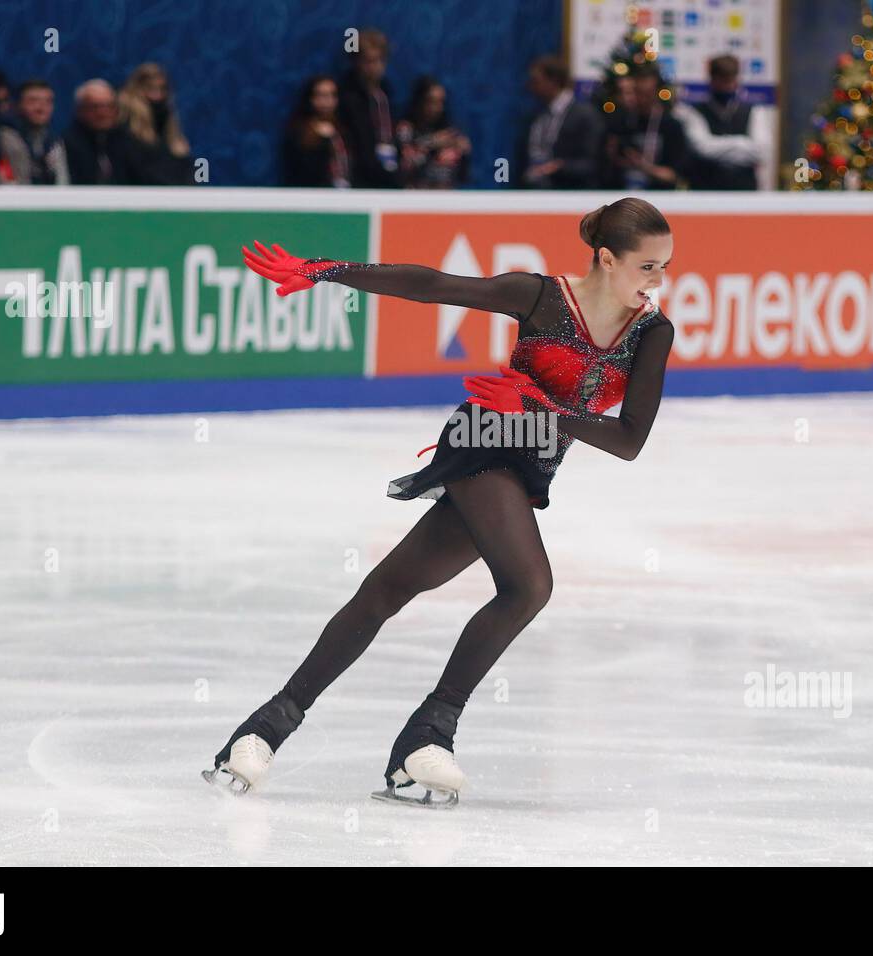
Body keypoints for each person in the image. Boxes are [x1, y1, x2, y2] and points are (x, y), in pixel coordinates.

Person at [207, 197, 676, 805]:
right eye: (648, 266)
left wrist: (539, 408)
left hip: (532, 458)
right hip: (482, 440)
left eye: (664, 266)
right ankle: (431, 734)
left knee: (387, 589)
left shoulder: (651, 332)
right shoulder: (541, 296)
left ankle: (265, 729)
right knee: (529, 585)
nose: (658, 280)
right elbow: (433, 286)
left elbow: (629, 440)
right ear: (608, 259)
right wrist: (326, 269)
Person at [673, 54, 761, 190]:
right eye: (723, 80)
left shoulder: (753, 111)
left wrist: (719, 146)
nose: (727, 86)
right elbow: (703, 148)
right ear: (712, 80)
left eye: (730, 80)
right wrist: (741, 143)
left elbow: (761, 151)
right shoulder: (695, 112)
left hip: (744, 191)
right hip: (705, 190)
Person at [518, 55, 600, 188]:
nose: (531, 87)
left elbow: (592, 163)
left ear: (554, 81)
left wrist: (559, 167)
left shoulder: (585, 115)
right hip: (532, 188)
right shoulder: (537, 115)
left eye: (536, 81)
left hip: (569, 191)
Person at [62, 79, 157, 185]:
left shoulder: (129, 143)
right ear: (80, 110)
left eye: (109, 106)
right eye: (95, 107)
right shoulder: (66, 145)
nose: (103, 113)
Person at [337, 29, 400, 188]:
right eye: (369, 61)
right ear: (357, 62)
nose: (375, 66)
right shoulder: (347, 97)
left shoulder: (387, 94)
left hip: (387, 175)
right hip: (357, 178)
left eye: (380, 60)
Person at [118, 62, 191, 185]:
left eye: (162, 89)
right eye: (150, 89)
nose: (158, 96)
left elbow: (192, 167)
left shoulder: (169, 126)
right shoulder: (124, 128)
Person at [395, 75, 470, 188]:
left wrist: (464, 153)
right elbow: (405, 166)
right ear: (419, 102)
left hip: (446, 197)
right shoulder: (405, 130)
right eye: (431, 102)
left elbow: (463, 176)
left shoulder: (450, 134)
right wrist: (432, 142)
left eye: (440, 102)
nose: (437, 108)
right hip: (415, 196)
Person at [283, 75, 352, 187]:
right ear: (311, 98)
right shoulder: (299, 131)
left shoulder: (343, 129)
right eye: (322, 95)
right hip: (314, 196)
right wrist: (321, 141)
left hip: (347, 194)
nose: (328, 101)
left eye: (332, 95)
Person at [0, 79, 68, 184]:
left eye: (48, 102)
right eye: (33, 101)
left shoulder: (55, 142)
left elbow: (63, 183)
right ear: (18, 105)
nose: (41, 108)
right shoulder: (3, 139)